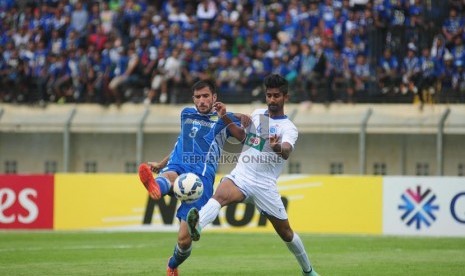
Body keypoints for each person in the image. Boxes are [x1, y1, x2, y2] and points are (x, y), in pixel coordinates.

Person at [186, 74, 320, 276]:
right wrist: (224, 116)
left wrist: (276, 147)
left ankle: (308, 271)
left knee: (286, 233)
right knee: (219, 196)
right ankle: (197, 226)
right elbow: (244, 138)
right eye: (269, 95)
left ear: (285, 97)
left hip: (265, 185)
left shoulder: (289, 128)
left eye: (276, 96)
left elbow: (286, 150)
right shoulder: (258, 115)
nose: (272, 100)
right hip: (242, 175)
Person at [138, 79, 245, 276]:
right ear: (193, 99)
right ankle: (155, 188)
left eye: (206, 96)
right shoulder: (186, 114)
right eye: (198, 97)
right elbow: (180, 142)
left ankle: (173, 264)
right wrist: (161, 165)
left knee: (184, 240)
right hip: (179, 164)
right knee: (169, 175)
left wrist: (229, 115)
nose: (202, 100)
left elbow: (245, 129)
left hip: (201, 179)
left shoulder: (223, 120)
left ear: (214, 97)